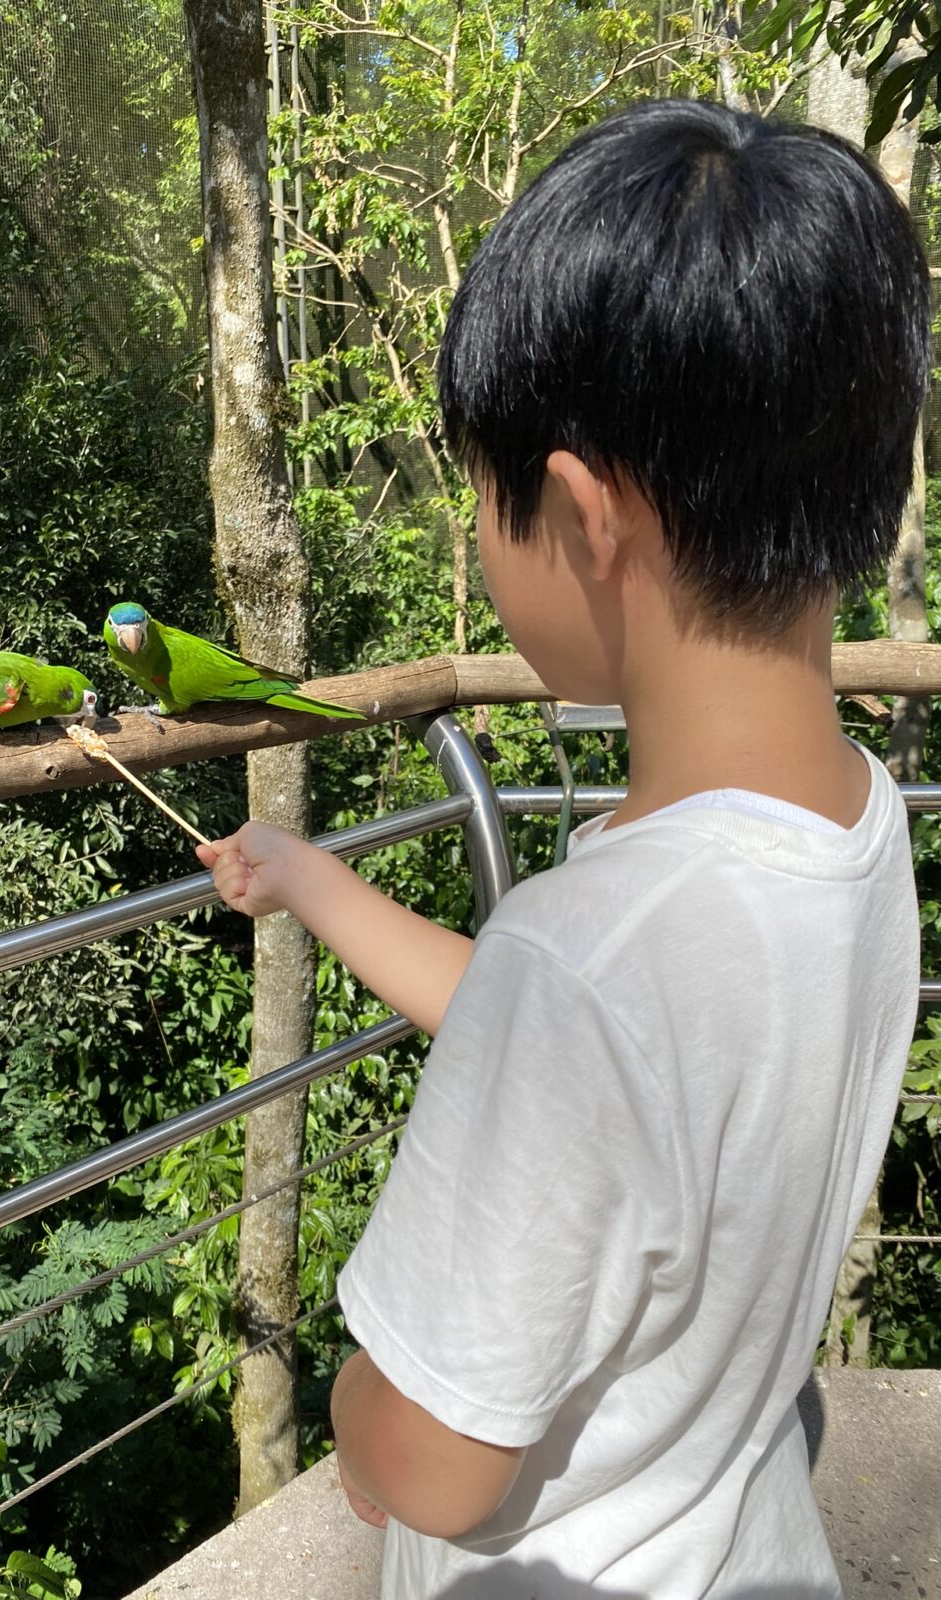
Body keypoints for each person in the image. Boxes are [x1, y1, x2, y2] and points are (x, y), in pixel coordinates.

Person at [195, 98, 927, 1599]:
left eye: (483, 492)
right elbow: (620, 1074)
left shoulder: (592, 966)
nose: (480, 531)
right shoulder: (854, 830)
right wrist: (313, 879)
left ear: (587, 517)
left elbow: (430, 1466)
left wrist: (351, 1399)